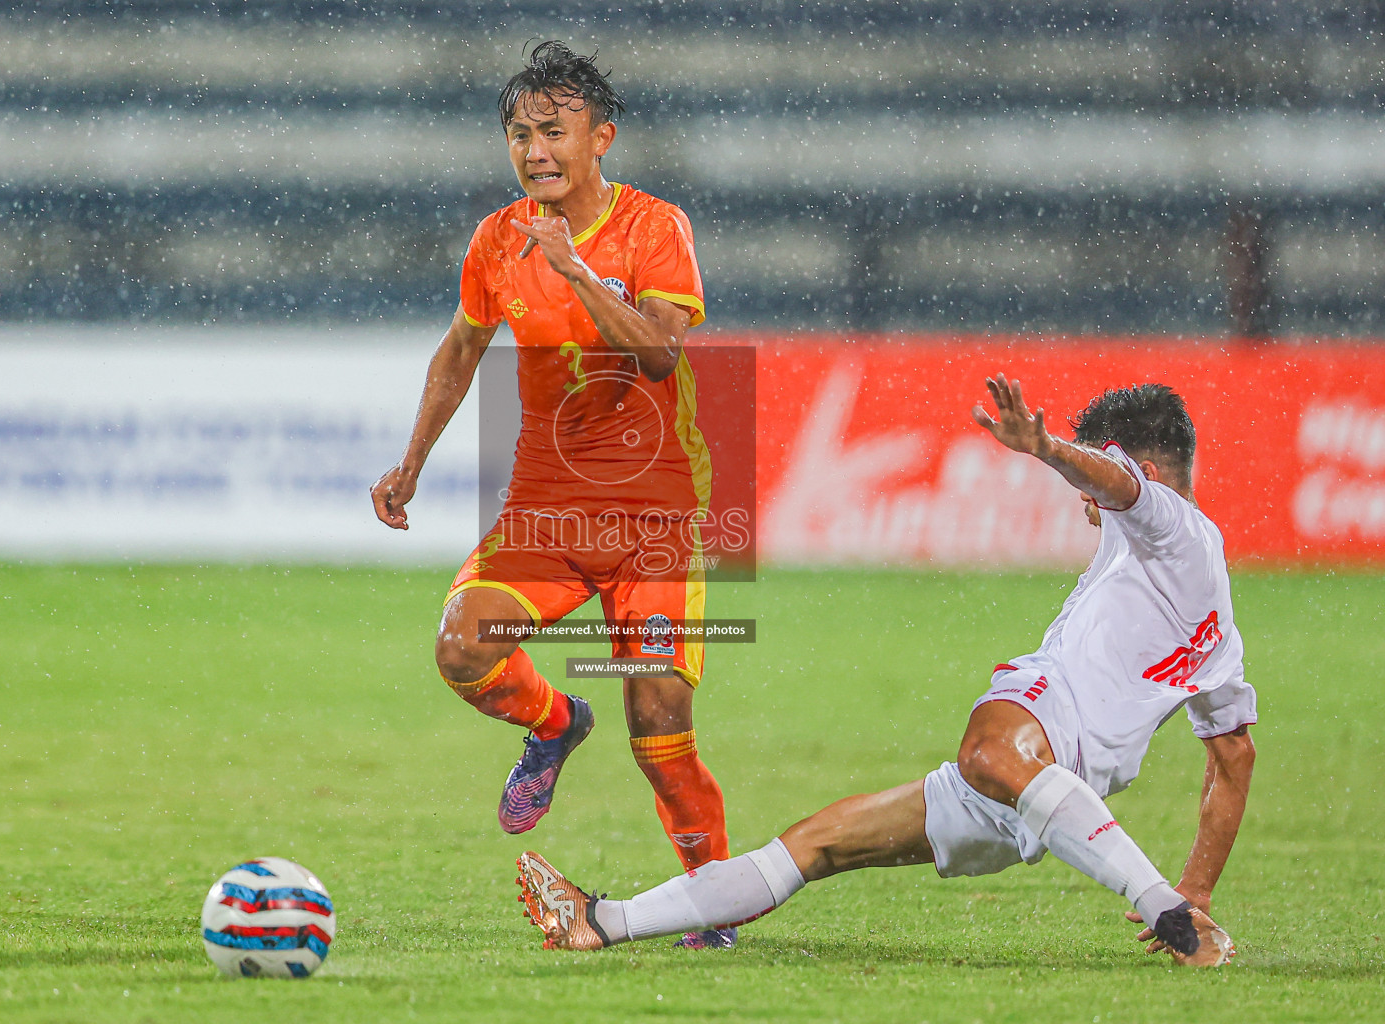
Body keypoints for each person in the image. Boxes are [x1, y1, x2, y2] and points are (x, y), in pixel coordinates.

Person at [516, 376, 1257, 967]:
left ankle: (1157, 904)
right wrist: (1201, 886)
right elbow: (1233, 756)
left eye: (1093, 488)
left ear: (1145, 471)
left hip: (1038, 736)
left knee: (988, 746)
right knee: (814, 844)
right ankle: (603, 921)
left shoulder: (1169, 519)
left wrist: (1046, 448)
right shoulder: (1213, 616)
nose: (1085, 504)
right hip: (1044, 796)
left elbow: (1120, 483)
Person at [370, 42, 737, 947]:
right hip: (546, 507)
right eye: (520, 133)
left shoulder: (654, 228)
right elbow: (461, 350)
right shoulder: (497, 239)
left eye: (553, 131)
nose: (535, 150)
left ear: (600, 138)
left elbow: (657, 356)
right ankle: (554, 722)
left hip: (654, 515)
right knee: (463, 645)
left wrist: (574, 268)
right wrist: (411, 461)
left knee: (659, 721)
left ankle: (715, 903)